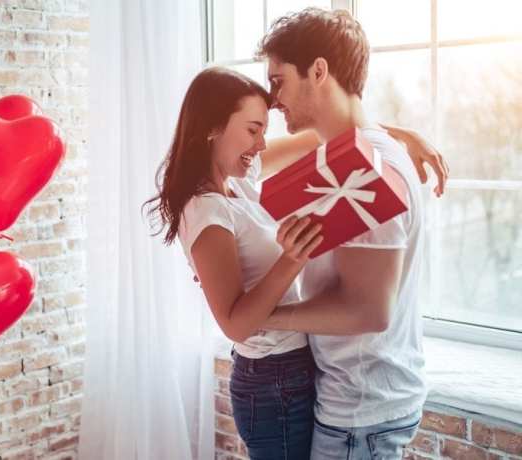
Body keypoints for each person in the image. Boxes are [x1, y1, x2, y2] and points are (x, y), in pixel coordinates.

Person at [144, 63, 446, 458]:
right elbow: (235, 323)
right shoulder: (206, 212)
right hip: (270, 382)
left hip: (294, 370)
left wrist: (400, 135)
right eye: (253, 130)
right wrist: (293, 257)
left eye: (264, 131)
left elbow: (317, 138)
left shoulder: (239, 184)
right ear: (212, 127)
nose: (263, 145)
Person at [256, 7, 430, 459]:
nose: (274, 100)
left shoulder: (368, 172)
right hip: (363, 404)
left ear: (318, 71)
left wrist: (259, 315)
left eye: (278, 81)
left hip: (361, 414)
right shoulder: (348, 156)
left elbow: (368, 311)